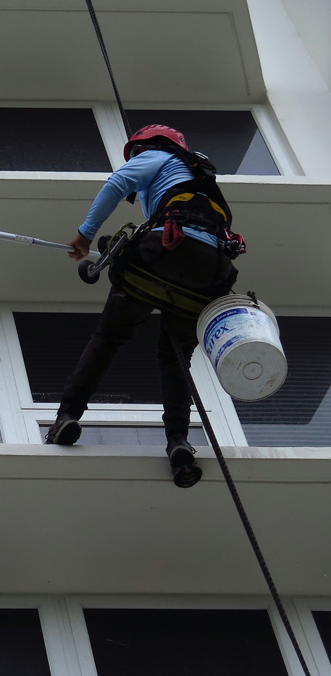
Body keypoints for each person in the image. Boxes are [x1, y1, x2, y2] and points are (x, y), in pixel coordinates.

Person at [46, 124, 242, 488]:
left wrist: (87, 234)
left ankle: (68, 416)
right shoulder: (201, 179)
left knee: (109, 338)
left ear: (150, 146)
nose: (136, 161)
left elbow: (116, 185)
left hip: (162, 255)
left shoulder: (157, 156)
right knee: (176, 359)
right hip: (208, 274)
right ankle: (178, 442)